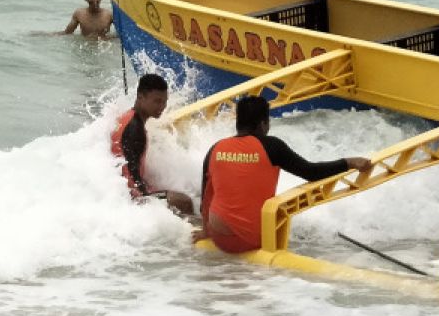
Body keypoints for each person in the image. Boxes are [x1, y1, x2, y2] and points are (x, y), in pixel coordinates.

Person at [200, 95, 373, 253]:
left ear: (238, 122)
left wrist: (206, 231)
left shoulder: (215, 148)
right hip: (248, 240)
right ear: (263, 124)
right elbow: (311, 172)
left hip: (217, 235)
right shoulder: (271, 146)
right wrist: (348, 162)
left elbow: (206, 197)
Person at [111, 73, 194, 216]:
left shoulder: (128, 118)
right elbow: (133, 177)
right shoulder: (135, 130)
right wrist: (148, 198)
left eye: (164, 101)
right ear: (140, 97)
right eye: (157, 101)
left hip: (121, 191)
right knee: (184, 202)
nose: (162, 106)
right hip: (131, 197)